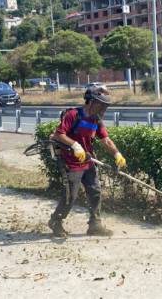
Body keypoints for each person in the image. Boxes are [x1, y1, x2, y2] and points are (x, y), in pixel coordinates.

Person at [48, 87, 126, 237]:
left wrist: (117, 153)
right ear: (90, 102)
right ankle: (56, 221)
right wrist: (75, 145)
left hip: (88, 162)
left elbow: (105, 140)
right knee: (71, 196)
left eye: (105, 106)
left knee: (95, 192)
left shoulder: (96, 119)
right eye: (101, 104)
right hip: (71, 162)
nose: (103, 108)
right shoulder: (73, 115)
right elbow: (58, 134)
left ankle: (95, 225)